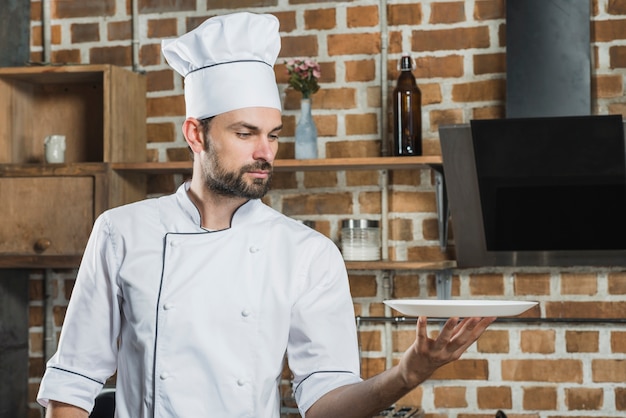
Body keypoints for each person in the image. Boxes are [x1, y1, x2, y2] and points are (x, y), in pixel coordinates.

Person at [37, 12, 495, 418]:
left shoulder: (306, 253)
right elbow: (72, 383)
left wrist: (406, 375)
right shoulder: (122, 231)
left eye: (273, 135)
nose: (265, 153)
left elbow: (325, 402)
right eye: (245, 133)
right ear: (196, 134)